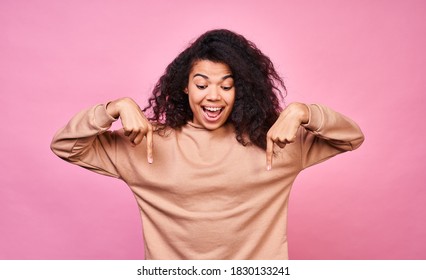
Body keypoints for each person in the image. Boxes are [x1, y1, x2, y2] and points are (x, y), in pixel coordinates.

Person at [51, 29, 364, 259]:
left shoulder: (274, 142)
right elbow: (65, 145)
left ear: (239, 91)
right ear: (185, 87)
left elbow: (351, 137)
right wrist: (113, 108)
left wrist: (303, 112)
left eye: (226, 85)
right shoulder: (145, 144)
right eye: (202, 84)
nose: (213, 96)